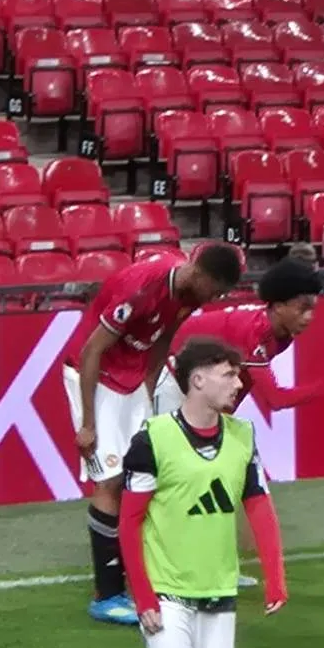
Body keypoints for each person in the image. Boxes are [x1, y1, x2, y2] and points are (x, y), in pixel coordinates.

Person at [117, 336, 287, 648]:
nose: (239, 383)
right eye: (229, 374)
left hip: (218, 589)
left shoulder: (242, 436)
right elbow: (130, 523)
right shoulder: (153, 439)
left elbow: (258, 505)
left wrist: (275, 576)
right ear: (197, 380)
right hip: (167, 588)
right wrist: (143, 596)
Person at [63, 241, 246, 625]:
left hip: (132, 379)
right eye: (214, 290)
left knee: (146, 472)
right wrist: (89, 424)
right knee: (110, 480)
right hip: (94, 375)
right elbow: (92, 350)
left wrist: (148, 387)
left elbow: (163, 338)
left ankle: (150, 575)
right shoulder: (141, 287)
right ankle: (107, 595)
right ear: (198, 273)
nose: (214, 299)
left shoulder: (190, 293)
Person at [162, 258, 324, 420]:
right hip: (171, 371)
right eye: (302, 309)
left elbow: (243, 379)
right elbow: (276, 400)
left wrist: (225, 417)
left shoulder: (282, 334)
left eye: (312, 309)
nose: (309, 317)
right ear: (278, 307)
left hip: (196, 377)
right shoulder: (257, 332)